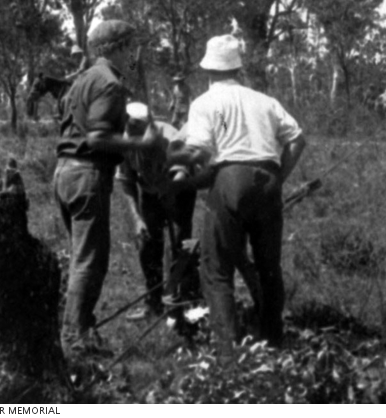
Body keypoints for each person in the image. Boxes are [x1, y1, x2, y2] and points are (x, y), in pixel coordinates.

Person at [167, 34, 306, 361]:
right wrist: (279, 179)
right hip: (268, 179)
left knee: (216, 270)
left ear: (208, 70)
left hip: (229, 179)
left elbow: (199, 149)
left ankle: (228, 356)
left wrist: (172, 160)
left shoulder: (204, 103)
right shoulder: (265, 101)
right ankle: (273, 342)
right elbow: (298, 140)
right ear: (237, 69)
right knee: (269, 268)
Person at [53, 19, 160, 356]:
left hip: (64, 174)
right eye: (130, 47)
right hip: (88, 174)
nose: (133, 54)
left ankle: (79, 327)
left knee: (80, 259)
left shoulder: (82, 78)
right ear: (116, 48)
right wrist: (139, 144)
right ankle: (75, 340)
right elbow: (97, 136)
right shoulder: (110, 83)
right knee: (90, 262)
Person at [116, 101, 197, 320]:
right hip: (150, 192)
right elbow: (127, 182)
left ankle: (183, 300)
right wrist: (137, 220)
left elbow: (182, 172)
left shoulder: (170, 137)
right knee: (147, 244)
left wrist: (171, 189)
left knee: (180, 244)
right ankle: (153, 302)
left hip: (180, 189)